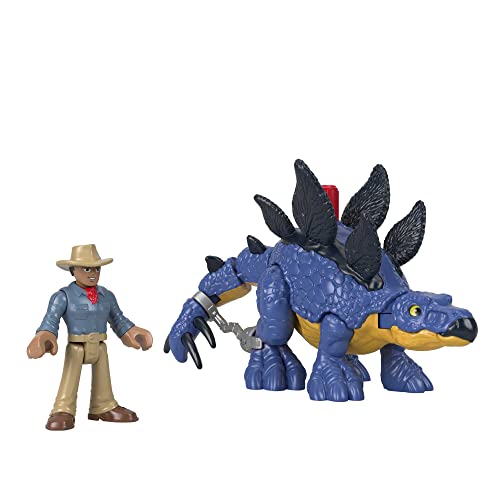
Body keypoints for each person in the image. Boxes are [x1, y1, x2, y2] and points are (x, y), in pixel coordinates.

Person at [27, 244, 153, 431]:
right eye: (87, 269)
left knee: (103, 376)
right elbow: (50, 320)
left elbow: (118, 319)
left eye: (97, 268)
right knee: (70, 378)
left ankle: (103, 406)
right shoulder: (63, 296)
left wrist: (132, 332)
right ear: (73, 270)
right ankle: (63, 409)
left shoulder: (106, 296)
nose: (93, 273)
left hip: (100, 344)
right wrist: (45, 336)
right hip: (76, 346)